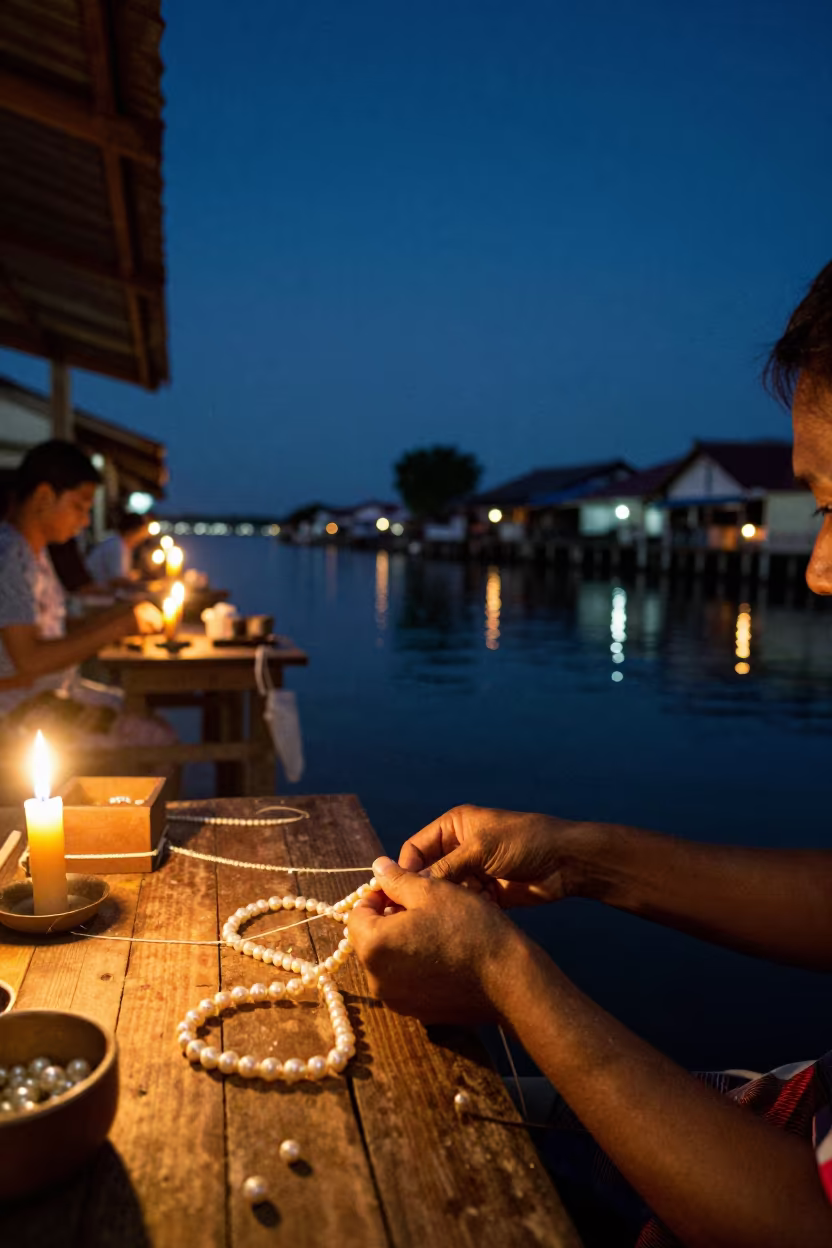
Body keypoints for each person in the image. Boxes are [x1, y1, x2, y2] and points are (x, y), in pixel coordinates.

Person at [348, 261, 832, 1248]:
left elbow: (798, 1225)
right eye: (820, 510)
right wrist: (578, 858)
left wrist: (501, 974)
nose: (817, 572)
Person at [0, 440, 174, 753]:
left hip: (50, 692)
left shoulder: (33, 554)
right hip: (18, 711)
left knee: (144, 715)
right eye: (79, 507)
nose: (84, 521)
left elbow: (48, 631)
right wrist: (118, 626)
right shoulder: (9, 556)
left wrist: (118, 617)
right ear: (44, 497)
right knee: (157, 740)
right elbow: (28, 659)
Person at [86, 510, 154, 587]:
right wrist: (145, 585)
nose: (142, 538)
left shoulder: (124, 546)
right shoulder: (115, 545)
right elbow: (117, 580)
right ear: (131, 531)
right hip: (93, 591)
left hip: (103, 591)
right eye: (141, 534)